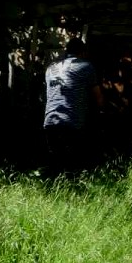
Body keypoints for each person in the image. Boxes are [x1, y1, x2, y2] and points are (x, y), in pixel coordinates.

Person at [43, 37, 103, 173]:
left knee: (55, 162)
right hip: (72, 122)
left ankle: (54, 189)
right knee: (73, 165)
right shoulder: (86, 66)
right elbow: (98, 98)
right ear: (82, 52)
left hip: (51, 120)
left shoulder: (51, 68)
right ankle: (73, 189)